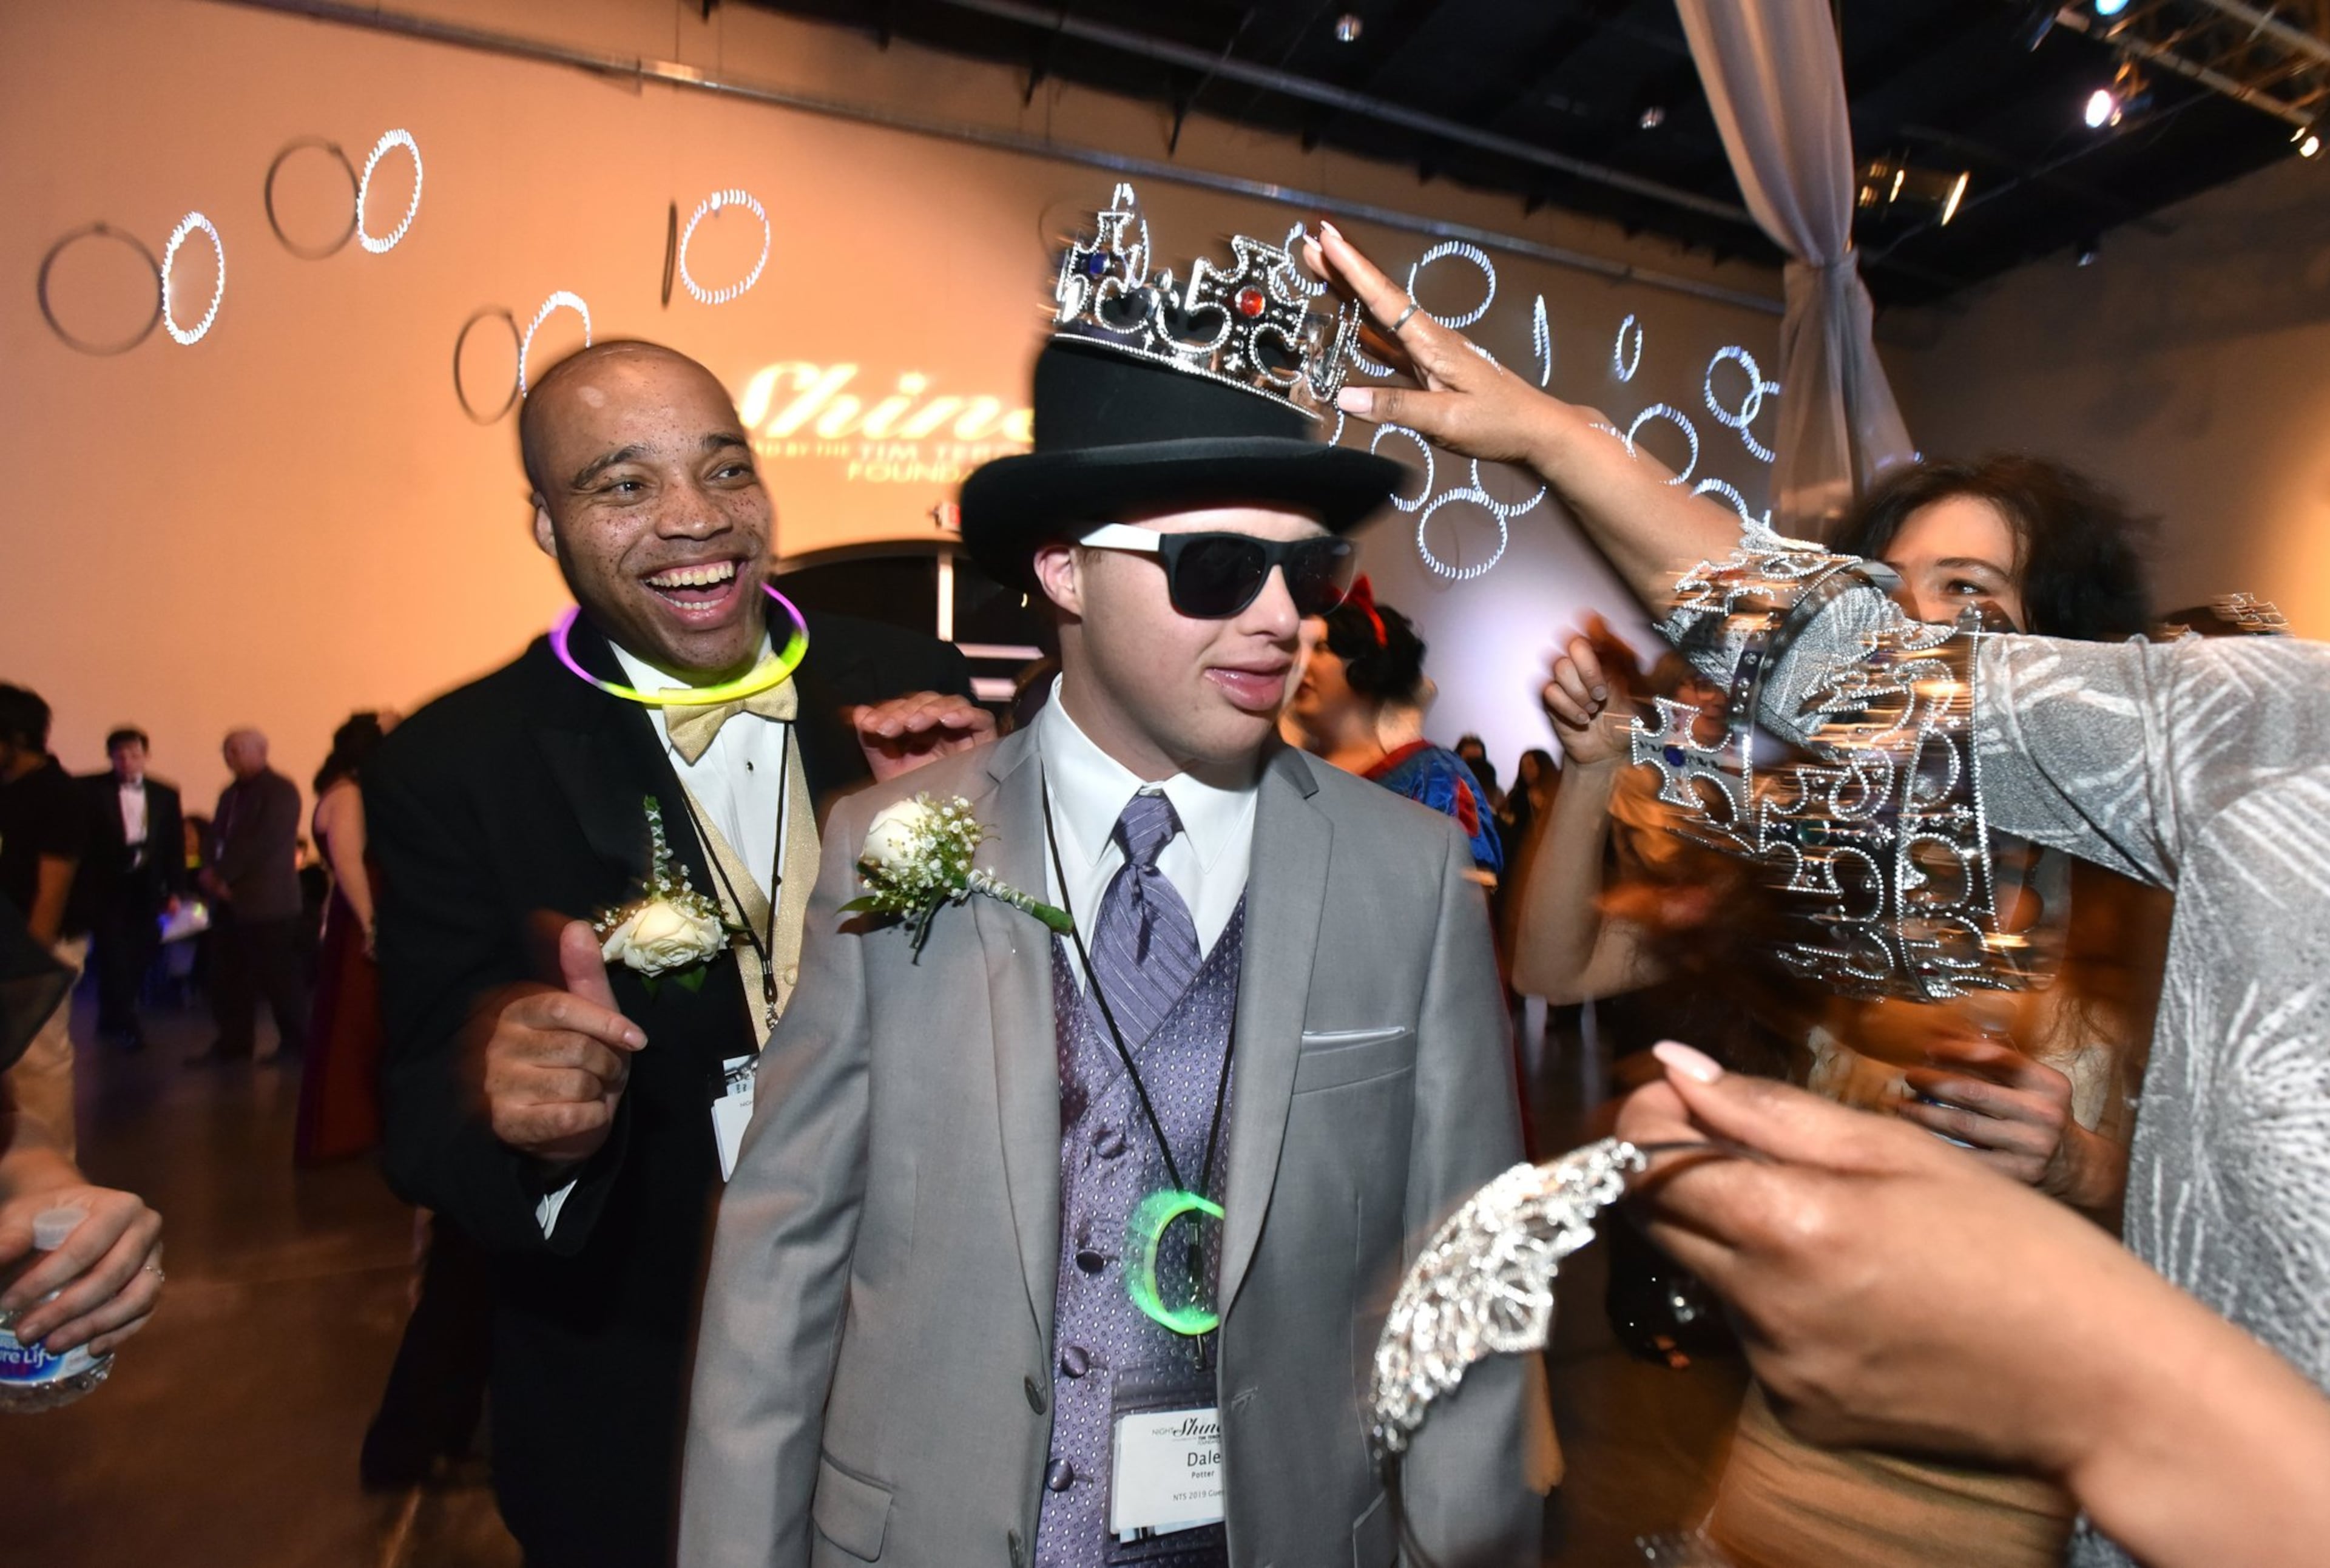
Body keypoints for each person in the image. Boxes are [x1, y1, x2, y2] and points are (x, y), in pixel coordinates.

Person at [1305, 218, 2330, 1568]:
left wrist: (2083, 1166)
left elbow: (2253, 1225)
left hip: (2033, 1514)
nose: (1918, 634)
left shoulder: (2185, 878)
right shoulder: (1820, 853)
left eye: (1968, 594)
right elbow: (1560, 970)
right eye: (1887, 595)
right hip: (1785, 1493)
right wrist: (1604, 746)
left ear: (2061, 649)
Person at [680, 200, 1553, 1568]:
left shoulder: (1412, 877)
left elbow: (1463, 1284)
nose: (1280, 617)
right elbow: (781, 1263)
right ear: (1062, 568)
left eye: (1303, 569)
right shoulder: (887, 847)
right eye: (1214, 566)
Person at [366, 338, 988, 1568]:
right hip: (645, 1380)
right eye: (623, 485)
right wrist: (529, 1120)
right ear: (545, 522)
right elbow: (419, 1115)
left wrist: (964, 852)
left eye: (724, 469)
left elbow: (998, 999)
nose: (696, 519)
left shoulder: (908, 683)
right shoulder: (456, 762)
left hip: (931, 1347)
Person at [1616, 1046, 2330, 1568]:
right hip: (1789, 1476)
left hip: (2018, 1511)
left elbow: (2259, 1240)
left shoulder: (2171, 903)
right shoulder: (1845, 893)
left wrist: (2084, 1166)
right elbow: (1558, 967)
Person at [1283, 581, 1505, 876]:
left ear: (1366, 664)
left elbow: (1468, 900)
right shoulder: (1284, 771)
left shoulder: (1431, 777)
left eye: (1320, 649)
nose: (1301, 662)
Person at [295, 711, 396, 1164]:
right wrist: (372, 924)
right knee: (358, 1024)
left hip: (352, 916)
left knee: (352, 1022)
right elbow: (351, 863)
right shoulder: (350, 795)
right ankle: (350, 1128)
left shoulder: (337, 791)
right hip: (360, 915)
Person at [0, 684, 88, 1161]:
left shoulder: (56, 796)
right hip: (12, 952)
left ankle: (53, 1175)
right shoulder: (10, 791)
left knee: (39, 1066)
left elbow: (51, 895)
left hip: (37, 956)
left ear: (16, 738)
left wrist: (28, 971)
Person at [67, 727, 186, 1052]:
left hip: (147, 886)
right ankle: (125, 1020)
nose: (128, 762)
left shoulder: (166, 793)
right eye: (120, 756)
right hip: (106, 887)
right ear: (110, 758)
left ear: (147, 756)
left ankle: (113, 1015)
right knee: (114, 954)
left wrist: (175, 890)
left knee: (143, 949)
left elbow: (172, 846)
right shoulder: (89, 789)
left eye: (134, 755)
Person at [194, 728, 306, 1066]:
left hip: (268, 902)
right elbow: (216, 836)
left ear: (262, 750)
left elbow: (263, 841)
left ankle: (297, 1043)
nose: (231, 757)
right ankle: (234, 1042)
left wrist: (221, 874)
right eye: (227, 751)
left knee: (278, 979)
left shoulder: (280, 791)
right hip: (230, 902)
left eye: (238, 750)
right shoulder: (231, 794)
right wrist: (210, 871)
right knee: (227, 977)